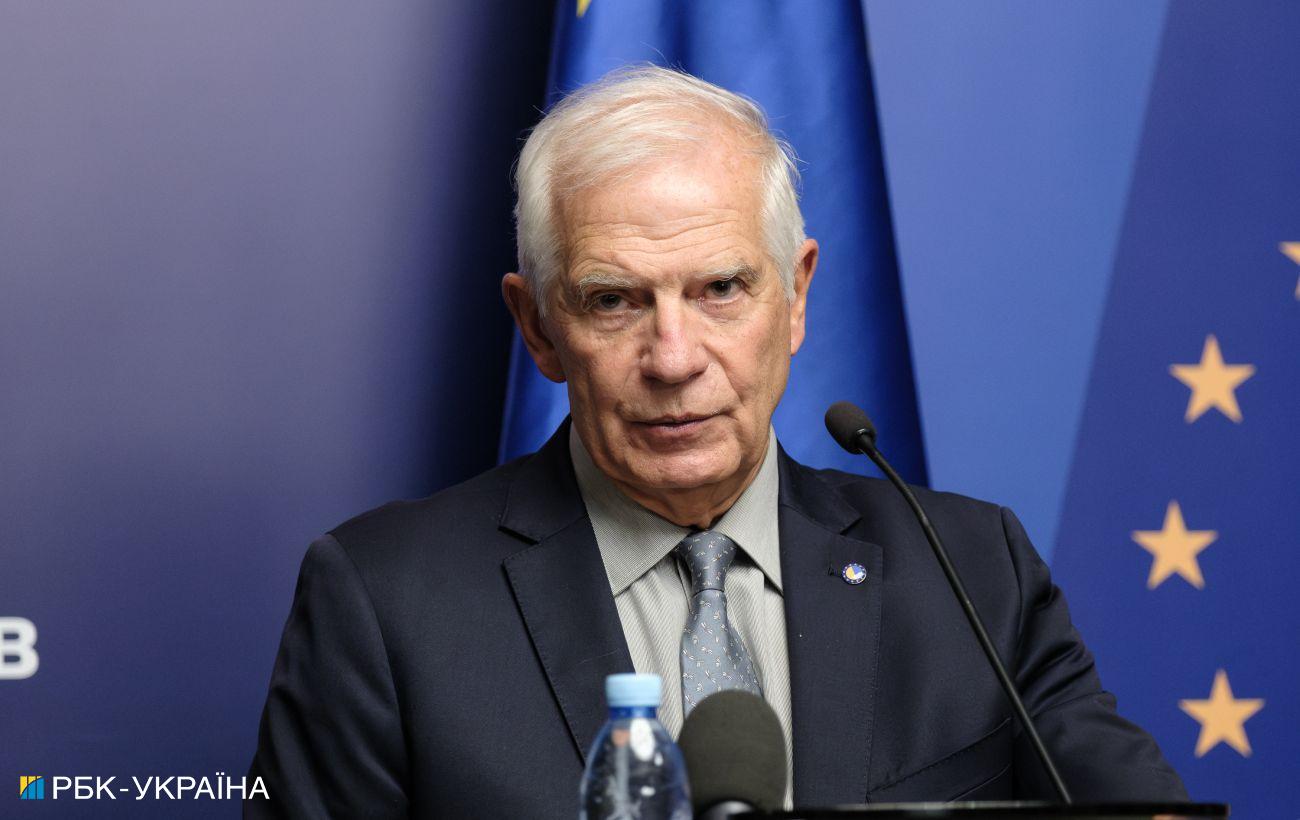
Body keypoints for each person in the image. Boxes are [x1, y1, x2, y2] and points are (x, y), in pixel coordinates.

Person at [247, 66, 1186, 818]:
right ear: (537, 327)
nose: (673, 358)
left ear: (797, 297)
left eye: (721, 289)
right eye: (613, 300)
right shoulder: (382, 604)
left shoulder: (975, 573)